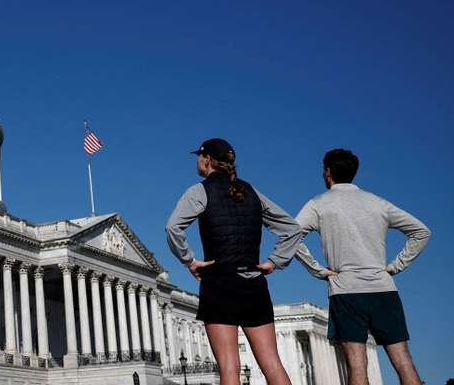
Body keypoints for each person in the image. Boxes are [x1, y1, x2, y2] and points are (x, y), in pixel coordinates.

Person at [166, 138, 303, 385]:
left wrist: (189, 260)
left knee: (230, 366)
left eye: (199, 156)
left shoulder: (199, 191)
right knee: (272, 364)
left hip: (219, 283)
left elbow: (173, 227)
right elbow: (292, 228)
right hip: (254, 285)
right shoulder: (251, 191)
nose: (197, 160)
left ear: (207, 160)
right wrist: (274, 261)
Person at [293, 149, 430, 385]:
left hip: (345, 291)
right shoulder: (377, 202)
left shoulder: (318, 204)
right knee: (403, 361)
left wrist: (318, 270)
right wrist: (395, 266)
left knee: (356, 366)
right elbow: (421, 232)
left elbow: (290, 236)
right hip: (383, 289)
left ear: (327, 172)